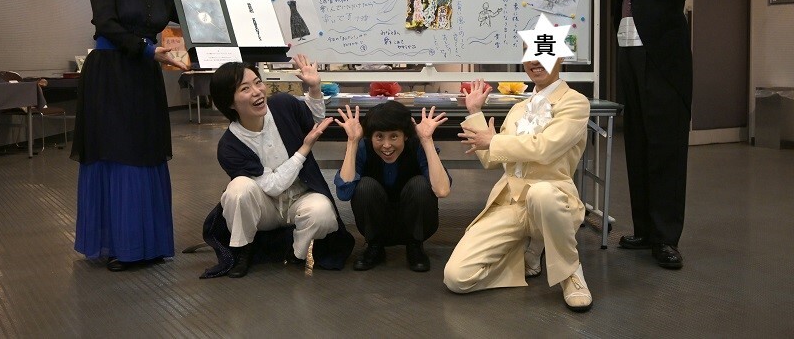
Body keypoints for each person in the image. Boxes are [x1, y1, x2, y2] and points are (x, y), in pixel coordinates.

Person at [71, 0, 251, 271]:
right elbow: (104, 23)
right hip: (109, 74)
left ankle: (146, 244)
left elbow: (197, 19)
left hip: (143, 76)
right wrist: (146, 48)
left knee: (146, 153)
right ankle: (120, 246)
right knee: (116, 154)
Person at [589, 0, 722, 269]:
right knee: (639, 146)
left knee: (665, 150)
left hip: (664, 65)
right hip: (630, 59)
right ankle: (645, 230)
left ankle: (666, 238)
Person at [444, 55, 593, 312]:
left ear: (559, 57)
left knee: (541, 193)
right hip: (510, 203)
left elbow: (545, 148)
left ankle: (570, 272)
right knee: (456, 278)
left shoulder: (575, 102)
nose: (535, 61)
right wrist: (475, 112)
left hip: (553, 199)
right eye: (530, 55)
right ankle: (529, 251)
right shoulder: (517, 109)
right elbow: (491, 159)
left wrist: (494, 141)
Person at [205, 56, 354, 278]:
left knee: (322, 212)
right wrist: (304, 149)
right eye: (245, 88)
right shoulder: (230, 145)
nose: (257, 91)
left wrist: (314, 88)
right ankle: (242, 250)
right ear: (230, 103)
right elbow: (273, 186)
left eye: (258, 82)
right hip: (264, 207)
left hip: (300, 196)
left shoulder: (282, 105)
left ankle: (297, 252)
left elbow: (312, 123)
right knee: (238, 188)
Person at [333, 101, 451, 272]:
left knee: (420, 184)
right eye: (379, 137)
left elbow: (442, 190)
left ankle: (415, 246)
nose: (386, 145)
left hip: (414, 223)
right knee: (365, 186)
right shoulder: (363, 147)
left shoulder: (417, 145)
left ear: (405, 136)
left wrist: (426, 140)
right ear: (371, 137)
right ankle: (374, 246)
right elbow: (344, 193)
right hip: (377, 224)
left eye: (394, 136)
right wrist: (352, 142)